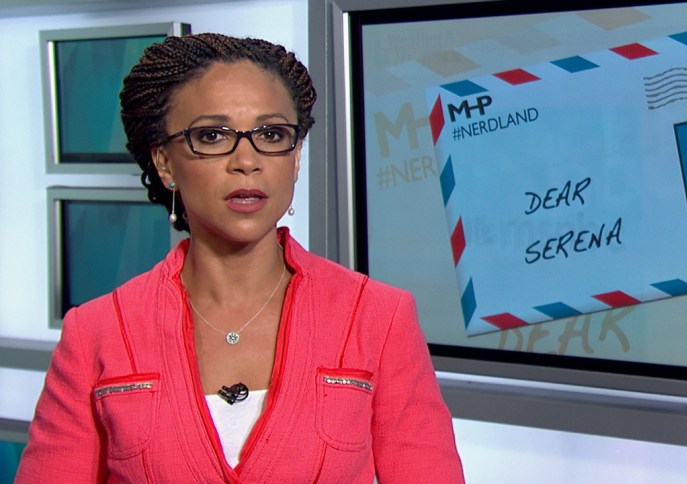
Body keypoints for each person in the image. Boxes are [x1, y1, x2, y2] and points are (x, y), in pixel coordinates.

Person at [16, 33, 464, 483]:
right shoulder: (96, 332)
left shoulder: (379, 317)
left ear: (295, 158)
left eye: (271, 135)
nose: (247, 161)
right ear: (165, 163)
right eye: (212, 136)